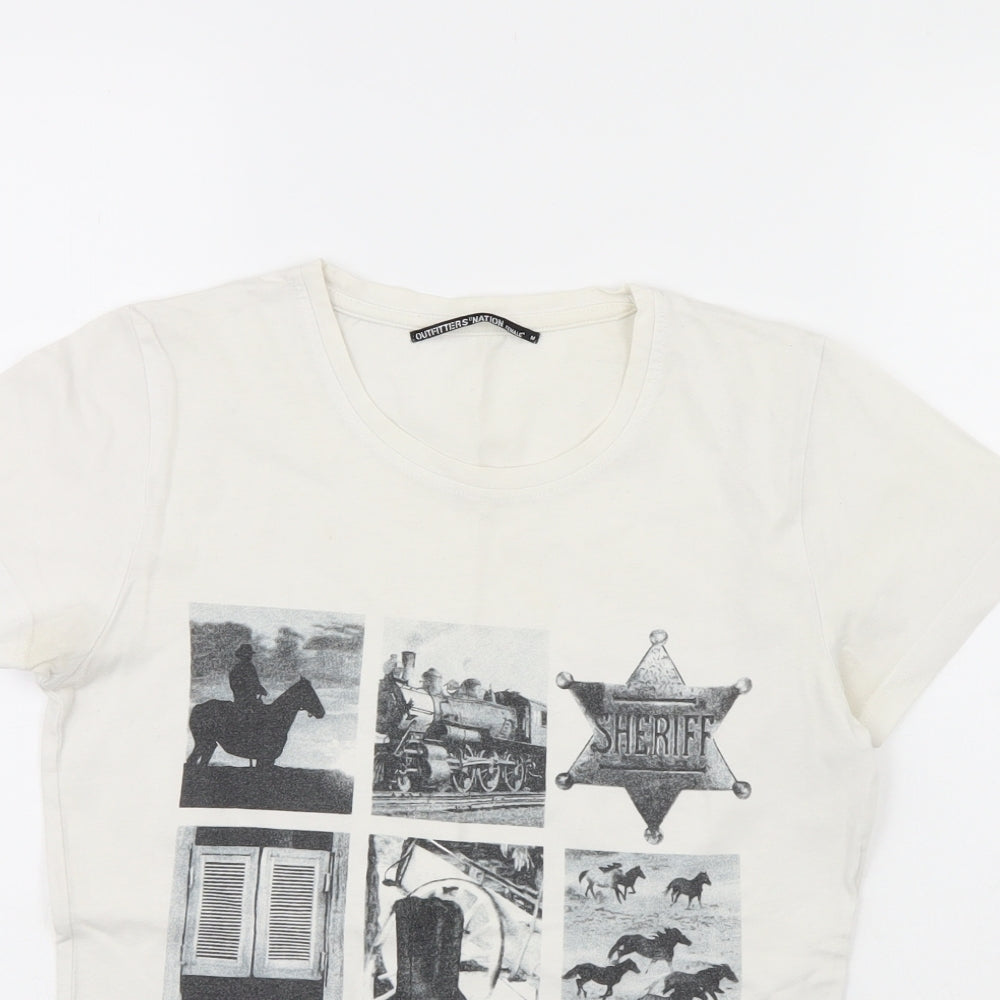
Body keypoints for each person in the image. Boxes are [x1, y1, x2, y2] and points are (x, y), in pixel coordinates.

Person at [229, 642, 268, 722]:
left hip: (251, 699)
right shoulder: (238, 668)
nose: (249, 656)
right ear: (242, 656)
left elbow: (255, 682)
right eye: (247, 654)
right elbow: (236, 685)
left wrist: (260, 688)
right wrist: (250, 690)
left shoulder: (250, 667)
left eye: (250, 654)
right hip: (243, 700)